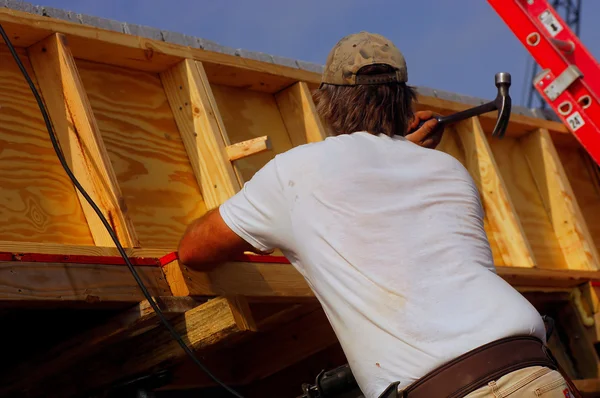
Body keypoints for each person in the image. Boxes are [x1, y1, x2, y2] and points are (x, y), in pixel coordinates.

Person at [177, 32, 578, 398]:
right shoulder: (451, 171)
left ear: (327, 103)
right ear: (406, 100)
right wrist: (405, 147)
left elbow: (194, 250)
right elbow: (397, 211)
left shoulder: (294, 172)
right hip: (534, 368)